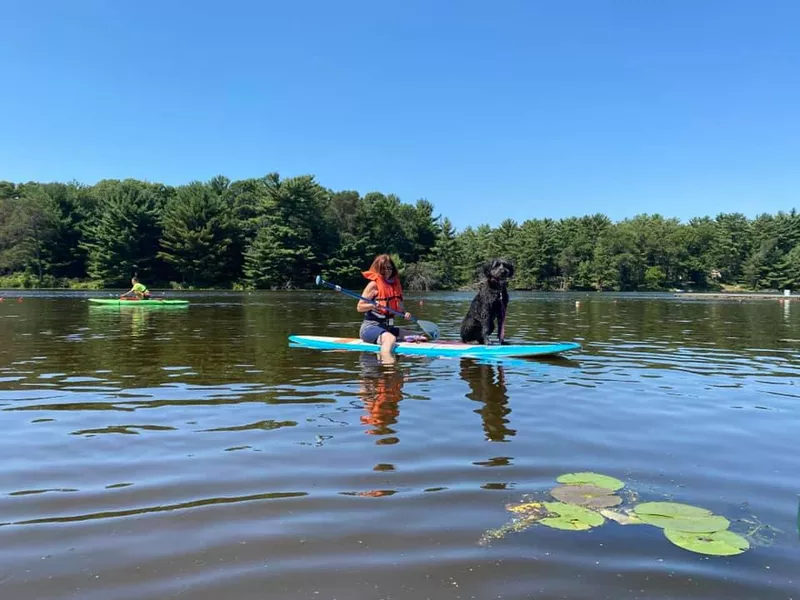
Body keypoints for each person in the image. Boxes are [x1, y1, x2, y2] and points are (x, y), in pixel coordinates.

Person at [357, 254, 420, 360]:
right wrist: (373, 305)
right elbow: (359, 307)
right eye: (383, 268)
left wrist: (405, 314)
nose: (387, 271)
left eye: (389, 268)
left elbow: (401, 309)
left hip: (388, 328)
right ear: (379, 269)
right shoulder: (373, 285)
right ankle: (388, 370)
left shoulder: (395, 286)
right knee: (390, 339)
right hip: (370, 328)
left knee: (417, 337)